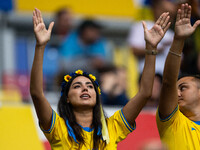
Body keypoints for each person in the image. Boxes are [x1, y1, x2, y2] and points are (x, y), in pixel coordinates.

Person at [30, 8, 171, 149]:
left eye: (90, 86)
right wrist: (40, 46)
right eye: (77, 86)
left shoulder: (112, 127)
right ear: (67, 97)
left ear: (97, 96)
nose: (85, 87)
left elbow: (145, 93)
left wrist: (151, 49)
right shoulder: (58, 128)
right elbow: (37, 94)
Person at [156, 3, 200, 150]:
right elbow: (168, 82)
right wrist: (178, 40)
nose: (176, 93)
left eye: (183, 87)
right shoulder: (172, 120)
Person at [128, 0, 177, 75]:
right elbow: (134, 50)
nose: (169, 17)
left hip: (169, 78)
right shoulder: (143, 26)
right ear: (156, 8)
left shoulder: (172, 34)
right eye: (166, 13)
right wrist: (157, 49)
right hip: (148, 76)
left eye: (172, 15)